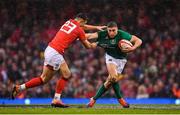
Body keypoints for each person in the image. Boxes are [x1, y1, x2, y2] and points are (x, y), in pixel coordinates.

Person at [12, 13, 106, 107]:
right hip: (56, 53)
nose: (83, 26)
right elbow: (88, 46)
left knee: (44, 79)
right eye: (84, 23)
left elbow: (83, 27)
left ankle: (19, 88)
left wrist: (96, 27)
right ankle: (56, 99)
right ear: (82, 21)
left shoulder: (69, 22)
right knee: (66, 74)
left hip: (49, 49)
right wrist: (97, 43)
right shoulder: (79, 30)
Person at [85, 21, 142, 108]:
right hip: (110, 58)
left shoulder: (122, 35)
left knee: (109, 83)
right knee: (114, 78)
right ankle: (120, 99)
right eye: (109, 30)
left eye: (113, 30)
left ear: (117, 29)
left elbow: (139, 40)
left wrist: (133, 48)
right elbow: (89, 36)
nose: (111, 32)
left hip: (122, 60)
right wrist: (76, 35)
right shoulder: (102, 34)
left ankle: (93, 99)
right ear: (107, 30)